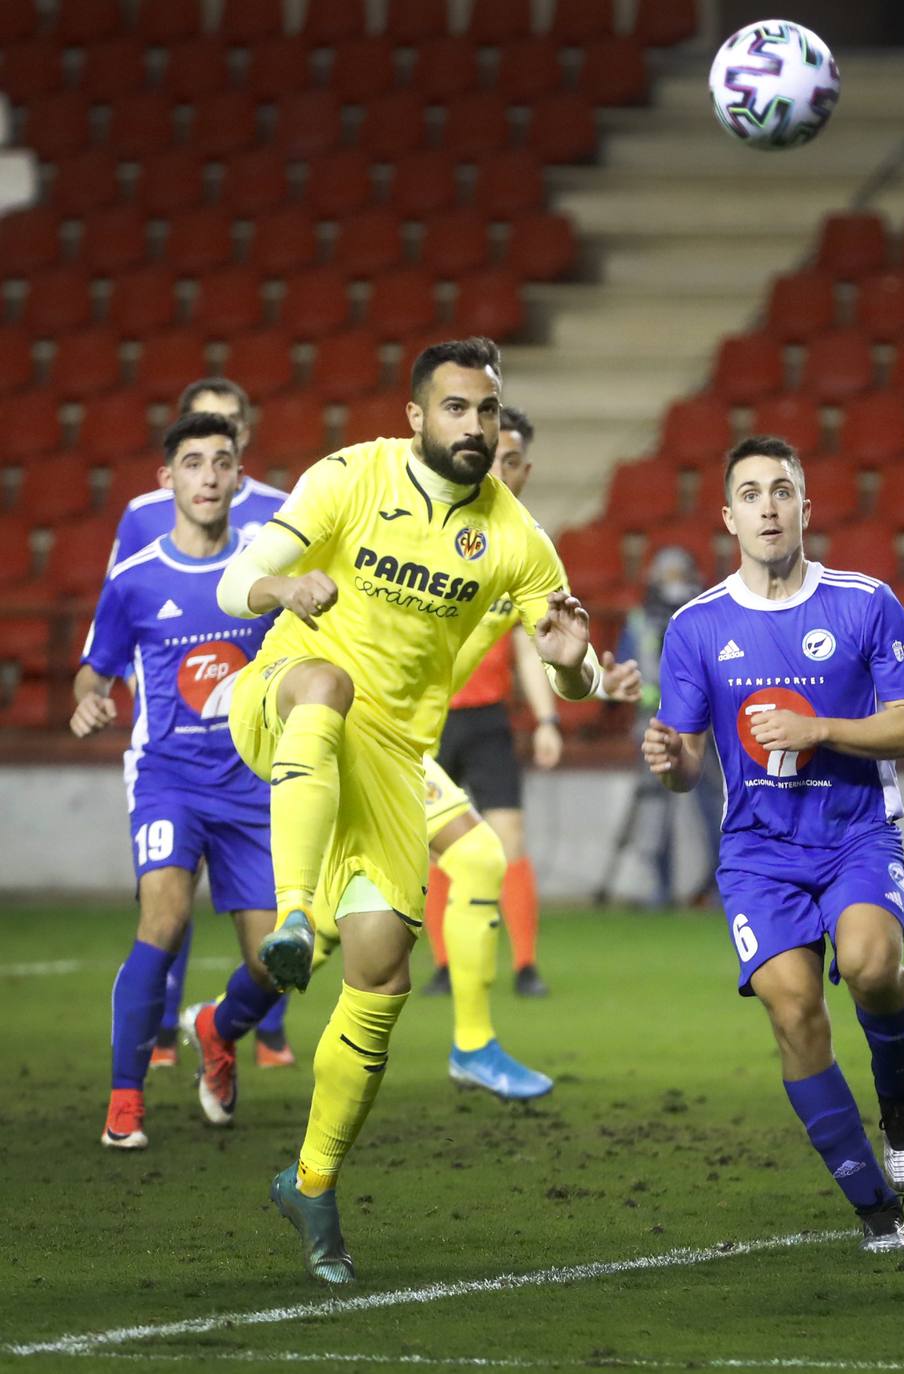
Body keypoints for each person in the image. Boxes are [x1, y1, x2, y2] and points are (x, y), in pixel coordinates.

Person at [212, 337, 605, 1281]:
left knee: (384, 973)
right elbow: (236, 581)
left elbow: (578, 667)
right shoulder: (351, 476)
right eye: (459, 408)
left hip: (394, 759)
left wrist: (574, 666)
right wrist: (283, 588)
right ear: (416, 416)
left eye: (489, 412)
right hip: (285, 693)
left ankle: (309, 1183)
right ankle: (296, 916)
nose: (477, 427)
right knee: (327, 684)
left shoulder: (514, 536)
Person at [640, 436, 904, 1254]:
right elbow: (688, 760)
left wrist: (822, 730)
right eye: (750, 493)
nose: (767, 506)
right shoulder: (695, 625)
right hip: (758, 853)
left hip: (853, 833)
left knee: (873, 968)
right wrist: (671, 761)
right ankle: (873, 1204)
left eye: (781, 490)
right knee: (793, 1007)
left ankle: (901, 1100)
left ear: (807, 507)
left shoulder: (864, 601)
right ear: (727, 515)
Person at [73, 413, 292, 1148]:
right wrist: (88, 699)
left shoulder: (266, 577)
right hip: (168, 779)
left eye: (220, 462)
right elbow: (93, 665)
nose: (207, 475)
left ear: (239, 478)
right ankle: (125, 1100)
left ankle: (214, 1028)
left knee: (275, 964)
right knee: (161, 922)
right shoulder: (134, 580)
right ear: (166, 480)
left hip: (251, 787)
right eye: (192, 463)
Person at [422, 407, 570, 1000]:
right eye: (492, 455)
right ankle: (444, 966)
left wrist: (548, 719)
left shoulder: (528, 548)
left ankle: (525, 965)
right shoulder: (432, 530)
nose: (498, 469)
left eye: (511, 460)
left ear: (525, 470)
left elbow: (531, 645)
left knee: (509, 842)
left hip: (486, 719)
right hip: (428, 719)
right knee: (437, 849)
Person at [611, 545, 723, 908]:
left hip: (704, 723)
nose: (673, 582)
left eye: (679, 573)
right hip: (654, 722)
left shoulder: (708, 614)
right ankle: (661, 888)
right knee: (654, 810)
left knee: (715, 807)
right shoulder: (640, 620)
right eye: (666, 574)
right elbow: (626, 667)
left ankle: (722, 886)